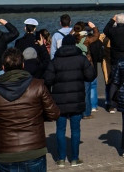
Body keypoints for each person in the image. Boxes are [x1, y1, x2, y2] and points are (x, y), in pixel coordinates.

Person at [0, 47, 61, 172]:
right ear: (23, 65)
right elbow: (54, 114)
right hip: (34, 150)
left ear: (3, 67)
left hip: (6, 152)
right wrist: (37, 116)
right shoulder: (37, 86)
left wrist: (1, 119)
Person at [44, 33, 96, 167]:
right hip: (76, 99)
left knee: (60, 129)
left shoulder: (55, 60)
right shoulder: (81, 59)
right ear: (74, 44)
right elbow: (90, 76)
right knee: (75, 130)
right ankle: (74, 158)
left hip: (59, 100)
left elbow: (47, 80)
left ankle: (61, 159)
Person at [81, 25, 104, 118]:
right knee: (93, 86)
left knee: (86, 88)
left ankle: (88, 107)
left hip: (86, 65)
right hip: (93, 65)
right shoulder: (96, 41)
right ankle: (94, 106)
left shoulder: (84, 41)